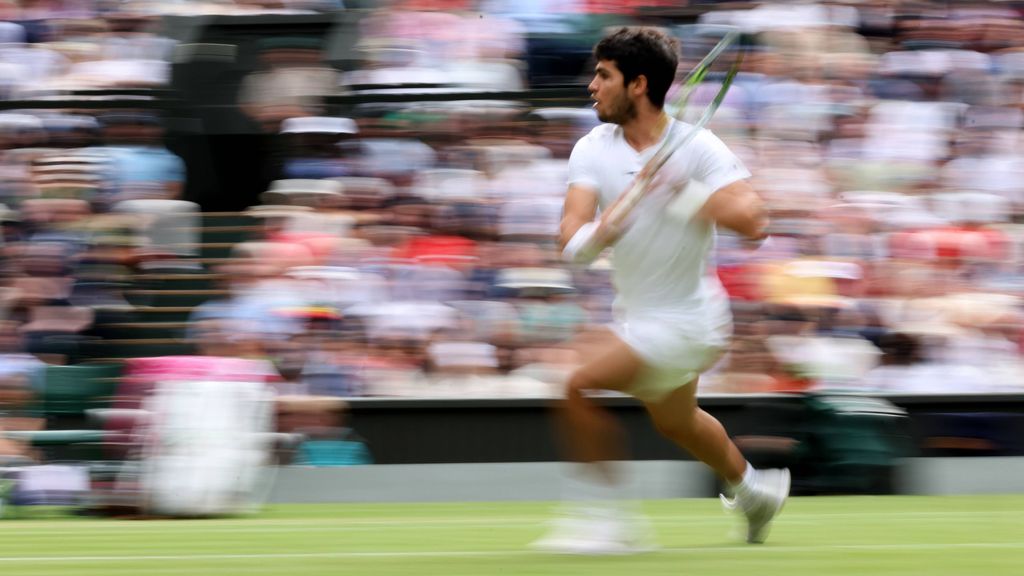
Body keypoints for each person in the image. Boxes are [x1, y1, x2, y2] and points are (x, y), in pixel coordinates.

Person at [533, 27, 789, 554]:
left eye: (604, 75)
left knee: (573, 382)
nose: (592, 86)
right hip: (639, 316)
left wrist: (685, 189)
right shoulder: (590, 148)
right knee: (678, 422)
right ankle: (754, 490)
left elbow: (755, 222)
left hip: (693, 321)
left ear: (639, 84)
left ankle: (607, 523)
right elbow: (571, 242)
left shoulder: (698, 148)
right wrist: (608, 227)